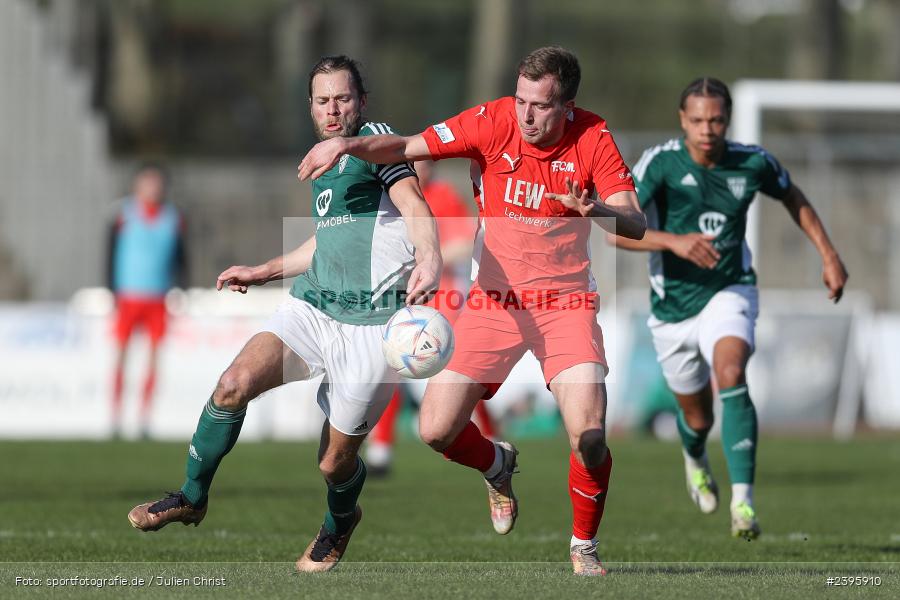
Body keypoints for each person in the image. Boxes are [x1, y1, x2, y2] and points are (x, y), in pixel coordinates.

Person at [299, 46, 647, 576]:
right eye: (521, 100)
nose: (526, 115)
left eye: (541, 106)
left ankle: (583, 545)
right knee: (436, 429)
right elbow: (406, 145)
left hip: (565, 304)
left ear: (568, 107)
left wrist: (595, 208)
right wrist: (346, 143)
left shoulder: (593, 136)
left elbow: (635, 223)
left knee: (590, 437)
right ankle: (497, 464)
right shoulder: (491, 120)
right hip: (493, 302)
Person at [127, 55, 441, 573]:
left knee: (333, 463)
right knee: (233, 384)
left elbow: (412, 204)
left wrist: (429, 257)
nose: (333, 110)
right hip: (313, 307)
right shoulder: (323, 161)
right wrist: (264, 270)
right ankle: (191, 496)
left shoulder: (375, 140)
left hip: (373, 325)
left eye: (343, 98)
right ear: (311, 107)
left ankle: (340, 522)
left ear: (362, 102)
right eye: (323, 101)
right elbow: (325, 242)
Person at [609, 77, 848, 539]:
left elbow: (793, 196)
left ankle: (743, 502)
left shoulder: (752, 162)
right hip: (673, 307)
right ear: (683, 120)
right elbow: (615, 230)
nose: (707, 129)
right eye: (698, 120)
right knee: (697, 419)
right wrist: (674, 242)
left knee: (732, 370)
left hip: (730, 289)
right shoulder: (660, 164)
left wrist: (829, 255)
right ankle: (695, 456)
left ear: (728, 120)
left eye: (716, 120)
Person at [366, 159, 496, 476]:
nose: (420, 168)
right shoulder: (392, 196)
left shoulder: (442, 195)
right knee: (389, 369)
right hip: (403, 299)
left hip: (442, 300)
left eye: (424, 162)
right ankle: (381, 450)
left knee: (456, 374)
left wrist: (429, 259)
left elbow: (465, 242)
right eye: (414, 162)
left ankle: (491, 436)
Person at [107, 164, 187, 438]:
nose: (152, 188)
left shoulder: (173, 217)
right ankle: (116, 418)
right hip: (127, 296)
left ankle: (144, 419)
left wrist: (182, 288)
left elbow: (181, 257)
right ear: (136, 185)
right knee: (121, 355)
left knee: (153, 358)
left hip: (158, 297)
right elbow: (109, 252)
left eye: (156, 183)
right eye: (147, 182)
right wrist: (111, 290)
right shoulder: (123, 214)